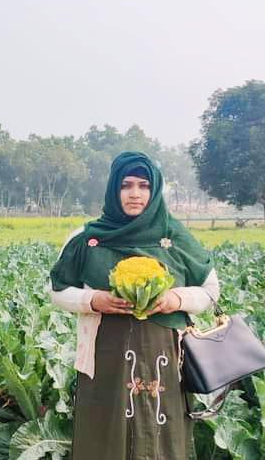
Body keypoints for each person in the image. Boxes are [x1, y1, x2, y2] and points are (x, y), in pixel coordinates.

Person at [50, 151, 219, 459]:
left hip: (165, 359)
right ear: (114, 190)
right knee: (105, 437)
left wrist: (175, 299)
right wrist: (93, 300)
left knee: (162, 438)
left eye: (143, 186)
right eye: (126, 185)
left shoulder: (175, 236)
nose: (135, 194)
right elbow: (57, 290)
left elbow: (211, 289)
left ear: (154, 191)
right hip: (105, 361)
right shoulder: (87, 239)